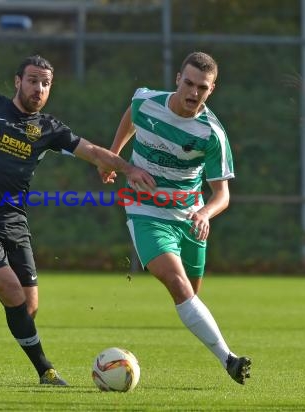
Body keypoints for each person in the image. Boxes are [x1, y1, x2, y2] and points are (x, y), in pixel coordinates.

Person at [0, 22, 155, 386]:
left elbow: (90, 150)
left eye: (45, 83)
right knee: (12, 293)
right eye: (32, 80)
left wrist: (125, 167)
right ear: (17, 81)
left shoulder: (48, 128)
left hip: (14, 220)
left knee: (28, 307)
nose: (38, 88)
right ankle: (46, 370)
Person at [100, 52, 252, 384]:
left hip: (189, 218)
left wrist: (204, 212)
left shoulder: (211, 133)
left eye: (202, 87)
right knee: (179, 285)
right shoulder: (147, 102)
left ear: (212, 89)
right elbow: (131, 116)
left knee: (190, 294)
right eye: (189, 83)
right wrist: (114, 157)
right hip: (145, 210)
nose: (193, 93)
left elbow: (222, 195)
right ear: (177, 80)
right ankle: (229, 359)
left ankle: (215, 344)